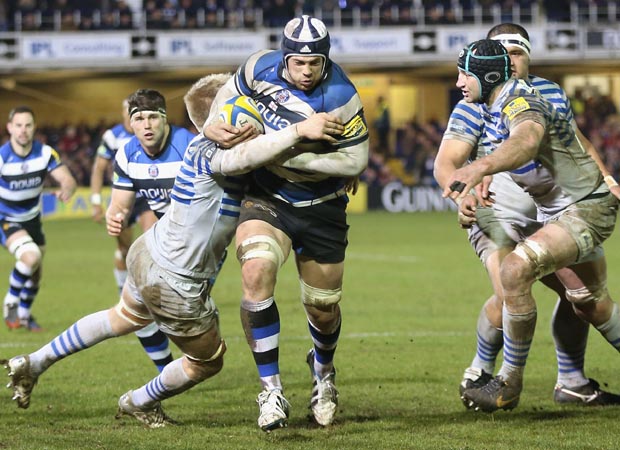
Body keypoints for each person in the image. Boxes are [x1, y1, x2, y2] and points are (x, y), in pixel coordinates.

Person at [1, 74, 346, 428]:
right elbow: (253, 155)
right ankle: (139, 401)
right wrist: (299, 131)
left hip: (148, 250)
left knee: (121, 317)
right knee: (208, 361)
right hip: (175, 280)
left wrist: (335, 170)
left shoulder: (198, 145)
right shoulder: (219, 152)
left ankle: (34, 362)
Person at [434, 23, 620, 407]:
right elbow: (447, 161)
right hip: (507, 212)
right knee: (514, 285)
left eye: (515, 53)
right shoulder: (476, 105)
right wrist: (466, 189)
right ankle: (486, 373)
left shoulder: (528, 97)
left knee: (587, 300)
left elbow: (530, 140)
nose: (509, 61)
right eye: (501, 53)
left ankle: (560, 381)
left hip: (572, 207)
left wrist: (482, 166)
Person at [203, 15, 369, 430]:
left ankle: (323, 372)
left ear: (326, 60)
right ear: (284, 57)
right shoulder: (257, 67)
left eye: (314, 63)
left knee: (323, 309)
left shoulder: (342, 96)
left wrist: (274, 151)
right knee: (256, 270)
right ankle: (271, 390)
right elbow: (226, 96)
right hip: (268, 198)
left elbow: (354, 161)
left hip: (323, 206)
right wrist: (211, 124)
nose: (306, 71)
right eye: (298, 62)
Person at [90, 97, 172, 373]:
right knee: (125, 251)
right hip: (123, 195)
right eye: (131, 114)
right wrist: (96, 200)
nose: (135, 119)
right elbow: (99, 167)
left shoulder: (157, 136)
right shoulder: (112, 137)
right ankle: (126, 291)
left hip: (147, 196)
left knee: (152, 244)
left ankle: (154, 294)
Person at [1, 106, 77, 331]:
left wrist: (67, 189)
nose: (23, 130)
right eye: (18, 125)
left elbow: (68, 180)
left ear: (34, 127)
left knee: (35, 274)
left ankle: (24, 316)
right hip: (6, 218)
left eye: (28, 125)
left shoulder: (44, 153)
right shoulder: (2, 157)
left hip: (32, 219)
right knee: (30, 256)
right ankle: (11, 302)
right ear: (9, 128)